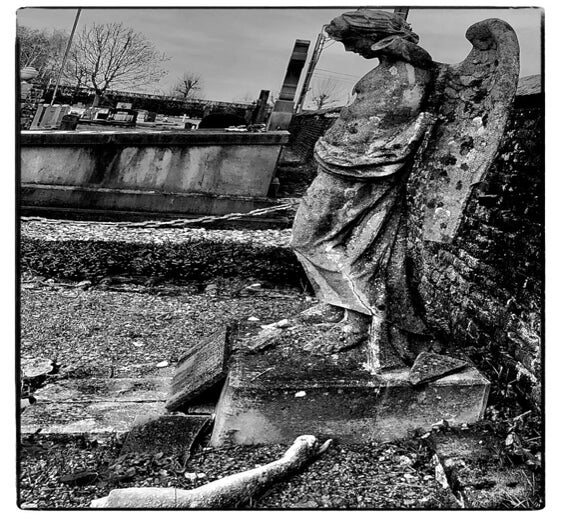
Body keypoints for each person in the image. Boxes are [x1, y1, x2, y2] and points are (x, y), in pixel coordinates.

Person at [291, 9, 438, 369]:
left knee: (311, 239)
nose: (349, 49)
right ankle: (341, 307)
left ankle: (358, 318)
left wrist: (398, 46)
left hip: (361, 169)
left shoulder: (410, 69)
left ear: (372, 33)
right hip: (343, 163)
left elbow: (389, 123)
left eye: (351, 40)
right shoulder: (386, 68)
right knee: (327, 241)